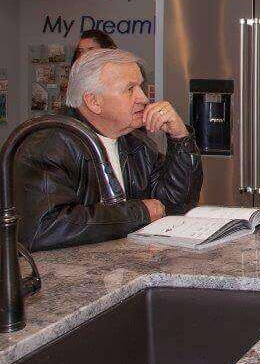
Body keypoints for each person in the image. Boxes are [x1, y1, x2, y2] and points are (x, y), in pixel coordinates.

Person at [15, 49, 203, 251]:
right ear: (94, 101)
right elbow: (44, 229)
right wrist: (138, 213)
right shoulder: (46, 146)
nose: (143, 98)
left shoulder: (138, 145)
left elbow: (175, 205)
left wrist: (180, 138)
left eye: (140, 87)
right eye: (130, 89)